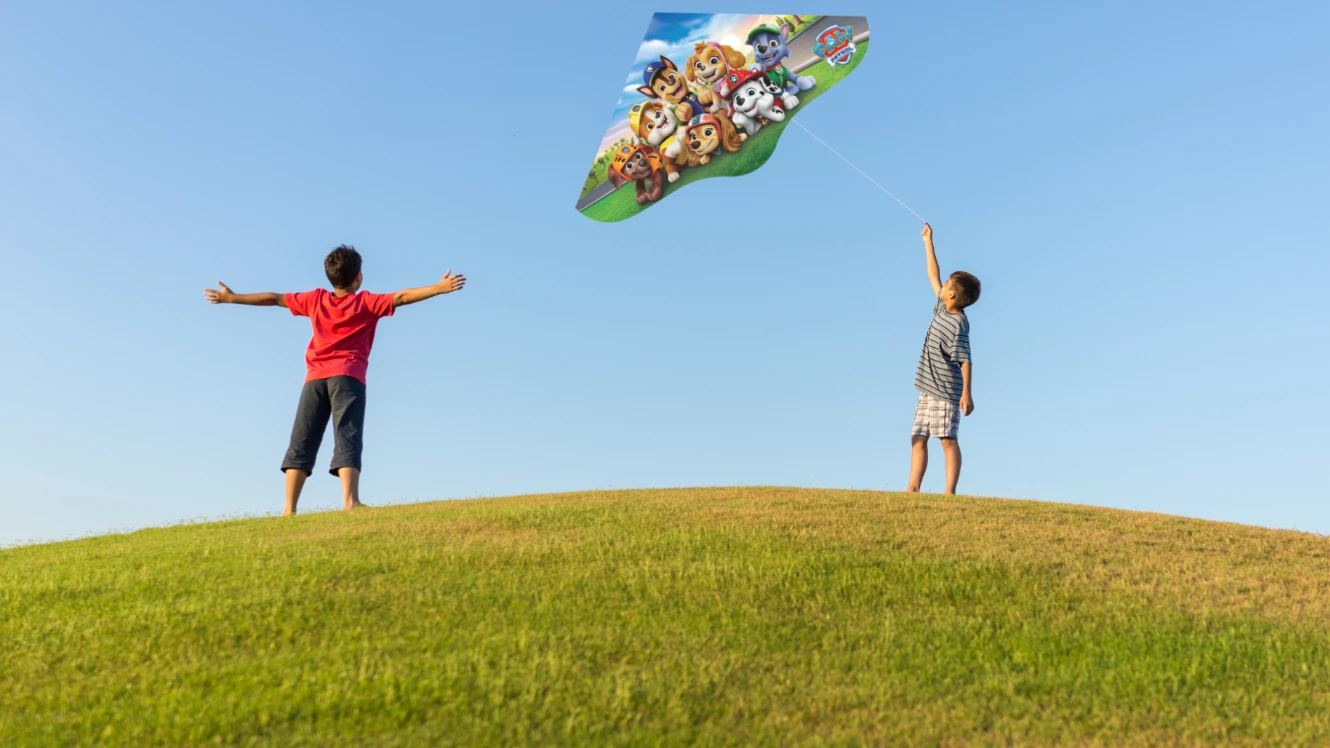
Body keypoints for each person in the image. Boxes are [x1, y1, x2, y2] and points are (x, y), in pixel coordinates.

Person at [204, 245, 465, 515]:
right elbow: (401, 297)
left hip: (314, 379)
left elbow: (275, 298)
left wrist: (232, 298)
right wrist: (438, 288)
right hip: (348, 377)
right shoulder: (365, 302)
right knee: (347, 435)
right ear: (358, 278)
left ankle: (288, 508)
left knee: (302, 438)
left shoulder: (314, 299)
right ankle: (350, 502)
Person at [906, 224, 980, 495]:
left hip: (946, 391)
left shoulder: (958, 323)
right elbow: (933, 275)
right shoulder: (942, 306)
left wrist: (966, 394)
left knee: (947, 439)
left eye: (948, 284)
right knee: (918, 437)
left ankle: (950, 491)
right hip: (928, 388)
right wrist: (928, 242)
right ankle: (913, 488)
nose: (943, 285)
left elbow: (965, 359)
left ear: (953, 295)